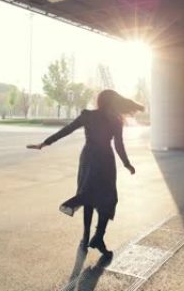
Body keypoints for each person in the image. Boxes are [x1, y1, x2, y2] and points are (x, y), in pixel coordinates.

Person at [27, 90, 144, 257]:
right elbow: (119, 144)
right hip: (105, 160)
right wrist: (127, 164)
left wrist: (44, 144)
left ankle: (86, 237)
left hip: (89, 158)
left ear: (99, 101)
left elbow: (67, 130)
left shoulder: (89, 116)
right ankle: (98, 237)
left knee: (88, 196)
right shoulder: (116, 120)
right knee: (108, 198)